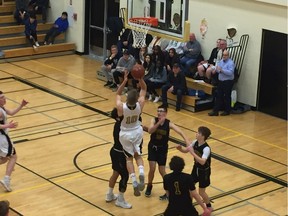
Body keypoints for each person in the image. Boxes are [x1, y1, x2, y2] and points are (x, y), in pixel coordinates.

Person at [145, 105, 190, 200]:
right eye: (158, 111)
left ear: (165, 113)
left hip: (162, 149)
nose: (158, 113)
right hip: (153, 147)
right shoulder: (153, 120)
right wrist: (158, 123)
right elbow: (150, 131)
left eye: (161, 111)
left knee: (162, 171)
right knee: (152, 168)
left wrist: (186, 141)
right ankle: (149, 185)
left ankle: (169, 191)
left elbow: (180, 131)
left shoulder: (169, 124)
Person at [116, 69, 146, 196]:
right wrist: (140, 78)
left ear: (127, 98)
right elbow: (144, 90)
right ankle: (141, 173)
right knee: (138, 156)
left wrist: (124, 81)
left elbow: (117, 94)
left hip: (125, 133)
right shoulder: (140, 104)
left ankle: (134, 180)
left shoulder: (121, 107)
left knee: (129, 159)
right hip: (137, 131)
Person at [176, 126, 213, 214]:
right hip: (195, 168)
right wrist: (180, 149)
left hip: (204, 171)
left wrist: (192, 153)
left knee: (201, 192)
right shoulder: (195, 142)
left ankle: (209, 206)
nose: (196, 134)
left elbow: (202, 162)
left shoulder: (206, 148)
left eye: (198, 133)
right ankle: (188, 205)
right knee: (190, 187)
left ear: (203, 136)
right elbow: (186, 150)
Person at [0, 91, 28, 192]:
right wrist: (8, 126)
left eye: (4, 96)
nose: (5, 98)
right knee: (13, 156)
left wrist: (21, 105)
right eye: (2, 97)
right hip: (2, 138)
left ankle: (6, 179)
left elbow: (11, 112)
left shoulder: (2, 108)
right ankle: (6, 179)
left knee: (4, 159)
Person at [105, 108, 131, 209]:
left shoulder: (118, 123)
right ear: (118, 115)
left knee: (115, 172)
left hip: (114, 151)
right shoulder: (122, 126)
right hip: (120, 153)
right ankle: (120, 200)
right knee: (125, 176)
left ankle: (109, 194)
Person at [208, 50, 235, 116]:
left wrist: (222, 70)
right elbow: (218, 69)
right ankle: (215, 111)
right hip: (221, 81)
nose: (224, 56)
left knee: (227, 96)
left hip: (228, 82)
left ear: (228, 56)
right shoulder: (221, 62)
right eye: (223, 55)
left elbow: (230, 73)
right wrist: (215, 69)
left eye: (225, 55)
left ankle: (227, 111)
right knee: (218, 96)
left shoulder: (231, 63)